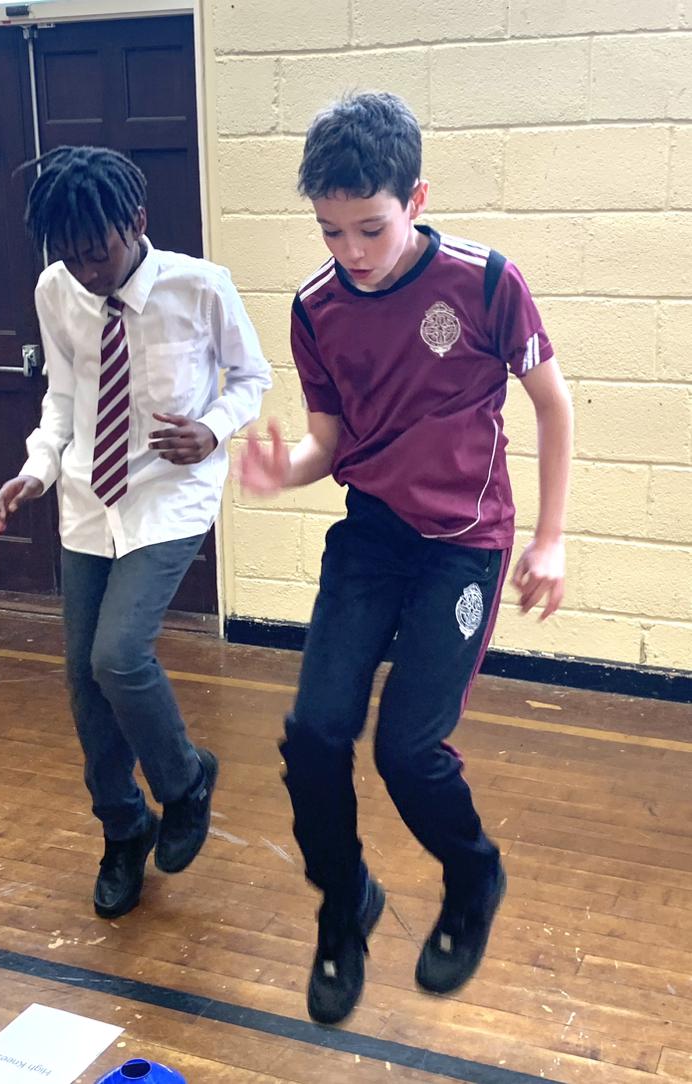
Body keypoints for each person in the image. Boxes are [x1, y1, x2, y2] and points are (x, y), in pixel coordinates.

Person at [239, 92, 573, 1025]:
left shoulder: (486, 282)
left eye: (370, 228)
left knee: (407, 750)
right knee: (314, 734)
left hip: (462, 548)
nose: (350, 251)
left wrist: (548, 540)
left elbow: (553, 406)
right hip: (373, 537)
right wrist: (284, 472)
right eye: (330, 230)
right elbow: (327, 443)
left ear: (416, 199)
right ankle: (344, 902)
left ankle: (473, 876)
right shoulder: (315, 307)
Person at [0, 145, 271, 920]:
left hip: (170, 498)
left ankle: (185, 780)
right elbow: (64, 395)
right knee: (84, 683)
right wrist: (37, 469)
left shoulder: (200, 286)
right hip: (87, 500)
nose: (87, 271)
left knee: (118, 655)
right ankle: (124, 829)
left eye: (99, 252)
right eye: (70, 255)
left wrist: (213, 429)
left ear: (137, 222)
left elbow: (252, 378)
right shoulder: (56, 290)